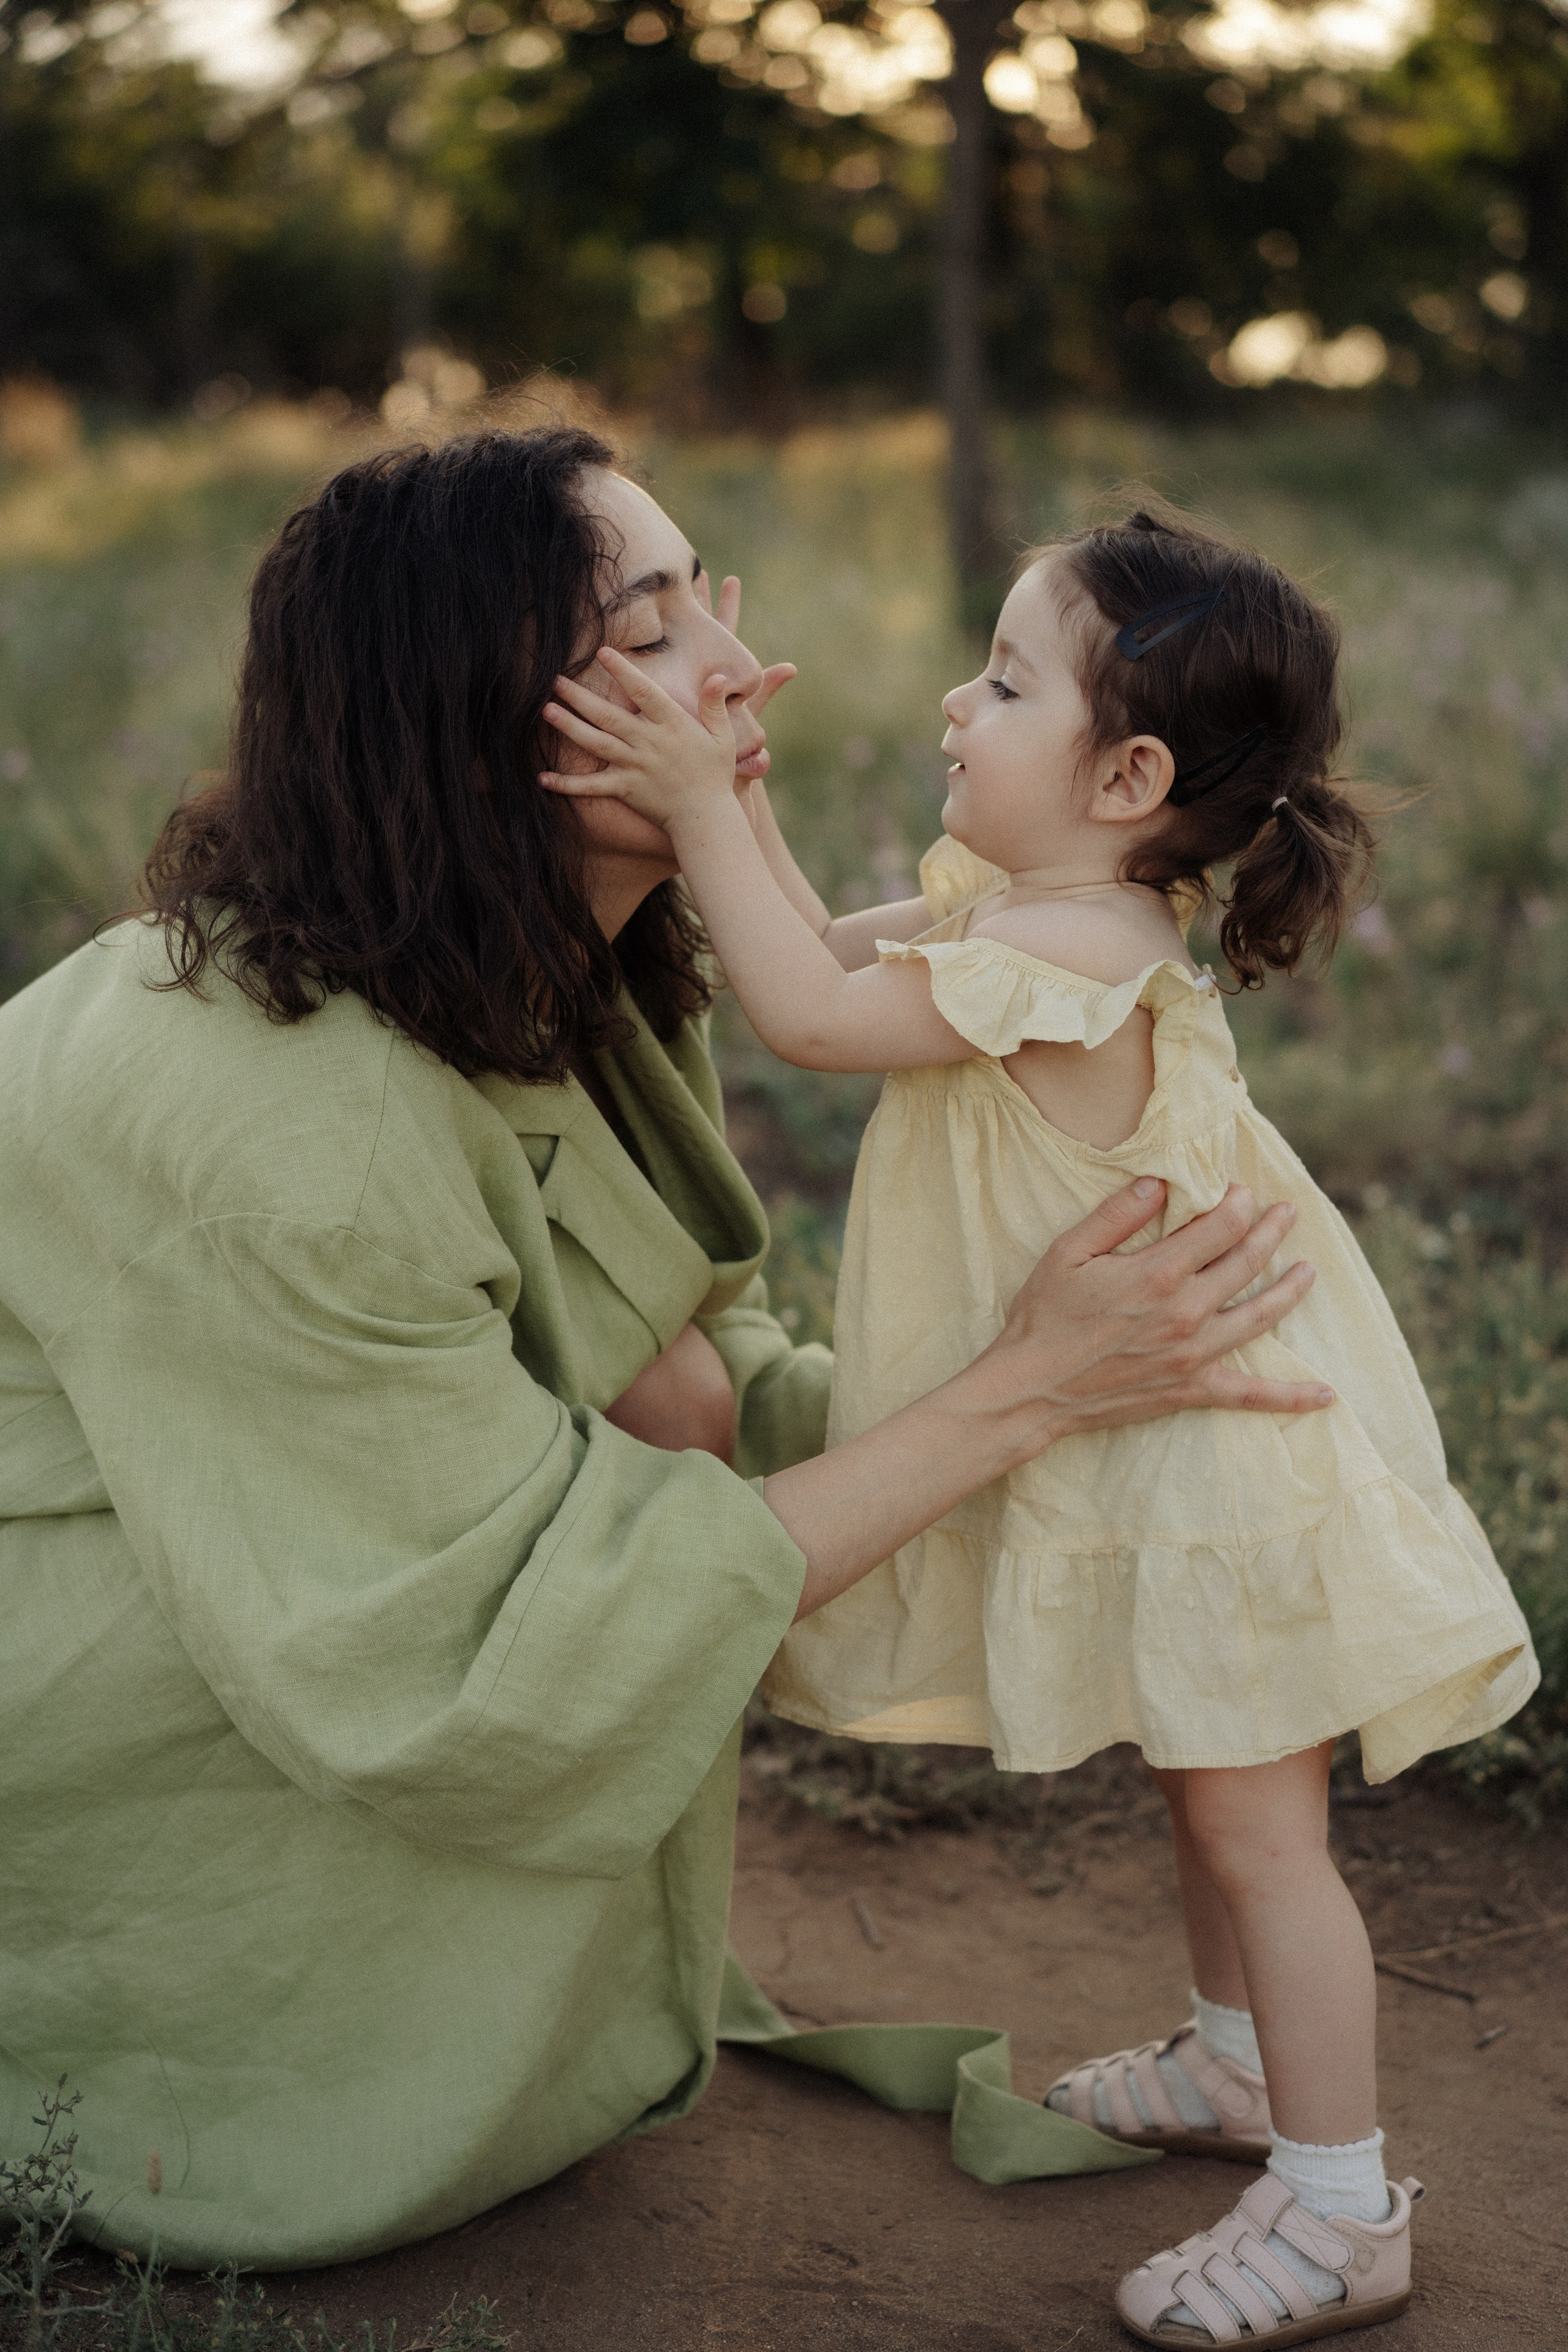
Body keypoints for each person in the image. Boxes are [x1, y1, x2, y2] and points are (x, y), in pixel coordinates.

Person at [0, 431, 1332, 2275]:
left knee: (689, 1394)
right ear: (475, 712)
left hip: (340, 1547)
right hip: (117, 1683)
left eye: (713, 603)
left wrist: (1117, 1395)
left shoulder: (555, 954)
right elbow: (456, 1662)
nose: (735, 673)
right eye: (649, 636)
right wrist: (1025, 1389)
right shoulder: (276, 1121)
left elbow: (707, 1356)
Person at [539, 499, 1538, 2346]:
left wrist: (692, 791)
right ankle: (1243, 2069)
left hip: (1226, 1453)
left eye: (1004, 680)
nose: (952, 704)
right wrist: (730, 764)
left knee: (1261, 1832)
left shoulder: (1082, 961)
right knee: (1204, 1777)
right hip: (1169, 1433)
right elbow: (812, 964)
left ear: (1130, 771)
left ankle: (1339, 2204)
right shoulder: (1036, 908)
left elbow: (809, 1021)